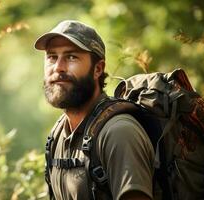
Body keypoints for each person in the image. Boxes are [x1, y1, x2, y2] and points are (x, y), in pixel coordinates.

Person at [34, 20, 155, 200]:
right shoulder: (58, 134)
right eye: (52, 57)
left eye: (71, 57)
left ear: (98, 69)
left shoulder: (119, 133)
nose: (58, 67)